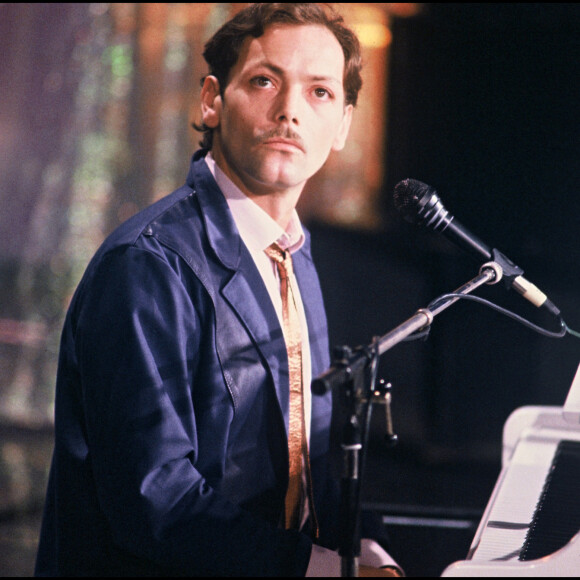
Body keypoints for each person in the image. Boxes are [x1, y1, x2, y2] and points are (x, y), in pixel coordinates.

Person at [35, 3, 402, 577]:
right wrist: (329, 571)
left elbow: (313, 463)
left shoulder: (293, 252)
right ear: (211, 99)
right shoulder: (148, 264)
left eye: (320, 93)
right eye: (264, 81)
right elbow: (155, 502)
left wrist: (372, 553)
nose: (289, 112)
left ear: (344, 128)